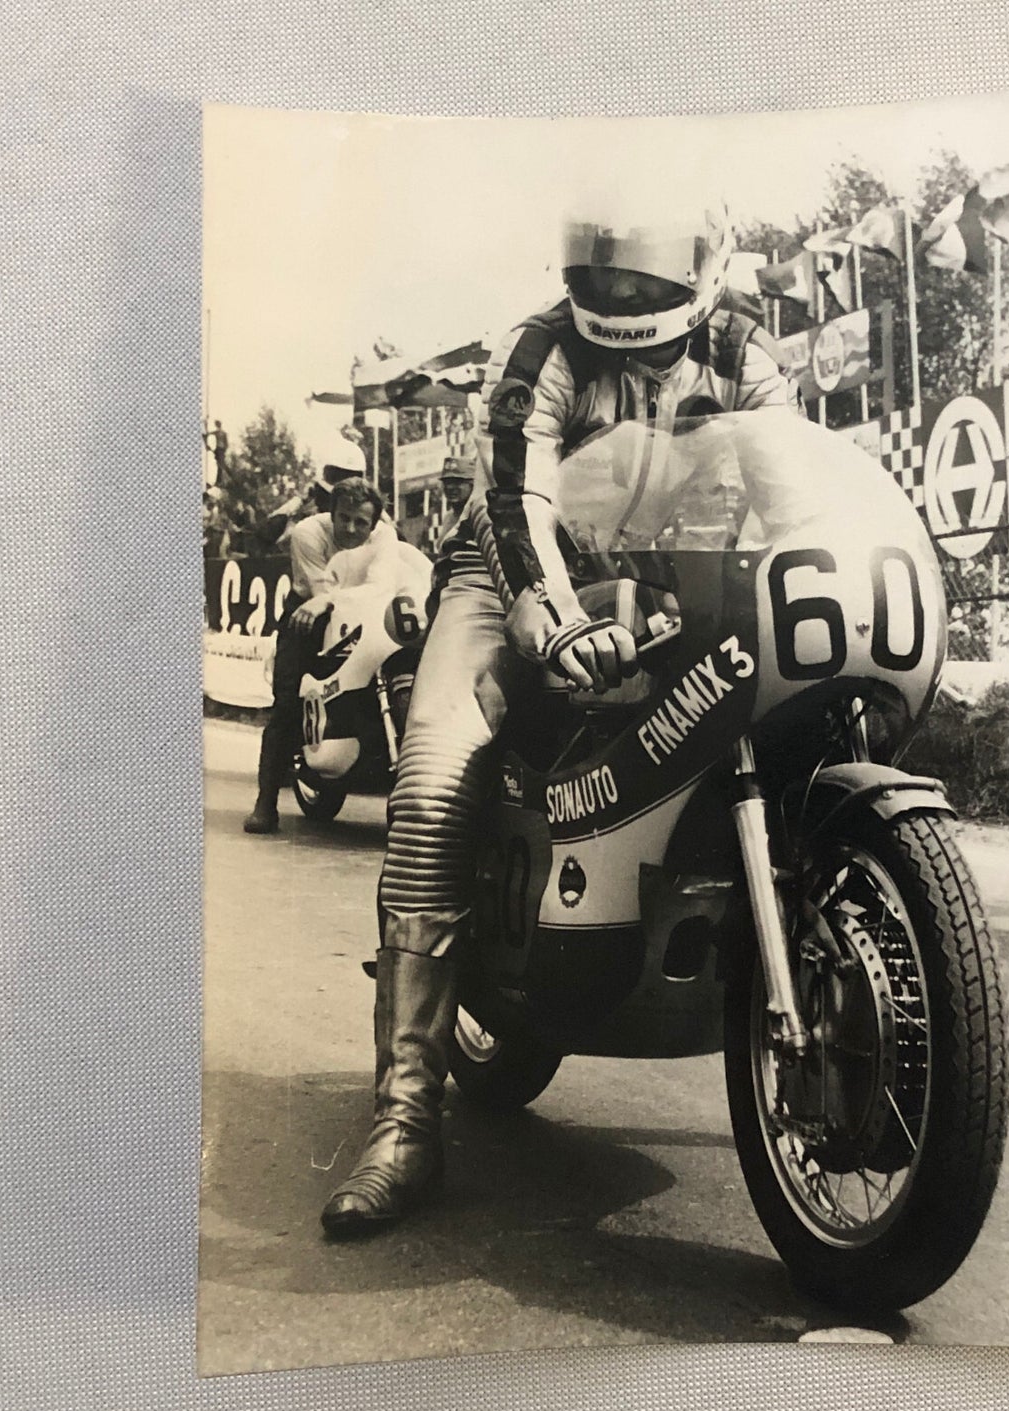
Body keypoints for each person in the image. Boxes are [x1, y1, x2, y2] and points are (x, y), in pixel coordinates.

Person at [321, 190, 793, 1238]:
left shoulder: (740, 352)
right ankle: (404, 1113)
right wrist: (554, 617)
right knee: (437, 765)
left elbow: (795, 485)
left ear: (700, 260)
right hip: (506, 578)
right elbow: (513, 505)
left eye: (645, 271)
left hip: (670, 570)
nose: (622, 293)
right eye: (603, 270)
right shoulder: (537, 350)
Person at [242, 475, 395, 834]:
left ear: (374, 522)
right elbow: (319, 590)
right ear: (332, 512)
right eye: (344, 518)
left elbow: (384, 582)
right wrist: (327, 600)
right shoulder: (307, 533)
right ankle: (265, 803)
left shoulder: (385, 536)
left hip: (365, 612)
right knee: (287, 704)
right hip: (309, 614)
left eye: (362, 522)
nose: (351, 528)